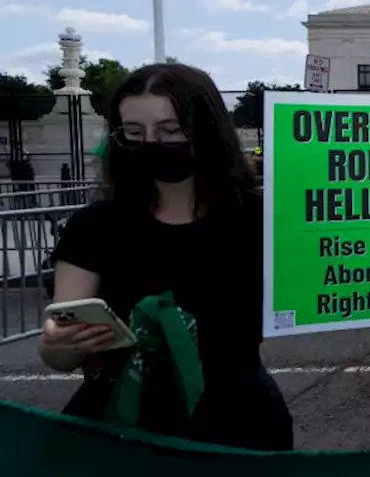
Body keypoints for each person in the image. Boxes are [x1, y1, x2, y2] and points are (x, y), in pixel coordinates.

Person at [36, 63, 295, 450]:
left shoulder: (266, 220)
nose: (151, 144)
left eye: (170, 131)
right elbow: (61, 347)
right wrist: (60, 346)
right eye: (134, 133)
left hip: (239, 422)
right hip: (120, 426)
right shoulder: (93, 227)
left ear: (207, 131)